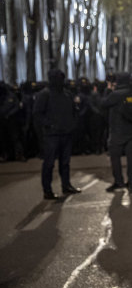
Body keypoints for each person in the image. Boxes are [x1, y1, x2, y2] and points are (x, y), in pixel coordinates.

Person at [33, 69, 81, 199]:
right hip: (52, 135)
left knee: (65, 163)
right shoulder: (44, 94)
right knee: (49, 163)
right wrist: (49, 125)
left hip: (66, 133)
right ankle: (47, 190)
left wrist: (72, 125)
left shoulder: (67, 94)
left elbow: (74, 111)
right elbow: (37, 114)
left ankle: (66, 186)